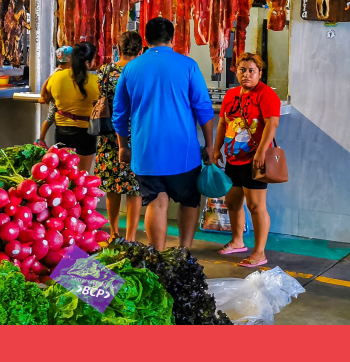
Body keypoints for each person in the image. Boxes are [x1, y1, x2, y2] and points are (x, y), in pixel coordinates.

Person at [113, 17, 215, 251]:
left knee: (155, 202)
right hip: (184, 151)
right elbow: (203, 108)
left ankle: (157, 255)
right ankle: (184, 253)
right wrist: (209, 145)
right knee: (189, 202)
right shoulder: (187, 65)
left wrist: (123, 146)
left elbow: (119, 113)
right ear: (173, 38)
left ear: (145, 39)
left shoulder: (131, 68)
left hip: (146, 150)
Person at [211, 52, 280, 268]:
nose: (246, 75)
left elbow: (272, 124)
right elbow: (222, 124)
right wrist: (216, 149)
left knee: (256, 206)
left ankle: (259, 253)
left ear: (260, 73)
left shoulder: (266, 94)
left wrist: (260, 152)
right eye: (242, 70)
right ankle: (237, 240)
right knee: (232, 202)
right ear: (236, 71)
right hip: (233, 159)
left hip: (255, 160)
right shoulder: (231, 95)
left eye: (252, 71)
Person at [94, 32, 143, 241]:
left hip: (109, 134)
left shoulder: (105, 71)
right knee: (134, 188)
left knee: (112, 185)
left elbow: (102, 96)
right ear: (141, 50)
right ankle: (131, 236)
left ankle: (113, 232)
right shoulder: (141, 71)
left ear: (118, 48)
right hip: (137, 134)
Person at [40, 42, 100, 172]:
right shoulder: (96, 82)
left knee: (64, 175)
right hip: (86, 132)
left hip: (62, 131)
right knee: (82, 175)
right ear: (88, 62)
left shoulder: (57, 77)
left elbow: (45, 98)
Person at [36, 47, 71, 147]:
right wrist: (43, 96)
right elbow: (46, 83)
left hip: (58, 100)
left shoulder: (60, 71)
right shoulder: (58, 72)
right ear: (68, 59)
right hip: (55, 100)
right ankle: (41, 139)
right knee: (50, 118)